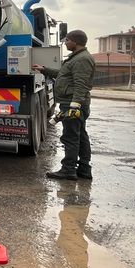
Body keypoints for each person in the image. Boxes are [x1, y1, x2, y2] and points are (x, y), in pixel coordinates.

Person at [33, 29, 95, 180]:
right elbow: (64, 75)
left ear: (75, 41)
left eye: (67, 40)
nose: (65, 43)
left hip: (72, 104)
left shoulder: (81, 59)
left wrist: (75, 105)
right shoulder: (78, 58)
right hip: (73, 103)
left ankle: (68, 170)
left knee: (71, 137)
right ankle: (84, 169)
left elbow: (81, 84)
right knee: (80, 136)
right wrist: (45, 69)